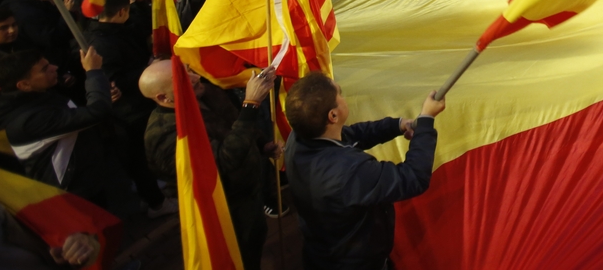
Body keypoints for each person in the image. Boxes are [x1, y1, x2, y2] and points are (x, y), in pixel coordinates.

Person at [284, 73, 446, 270]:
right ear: (333, 115)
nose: (344, 97)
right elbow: (413, 178)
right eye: (340, 94)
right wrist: (427, 120)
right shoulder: (348, 171)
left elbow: (352, 135)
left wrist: (398, 125)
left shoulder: (300, 136)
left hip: (322, 251)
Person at [141, 61, 277, 270]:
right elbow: (222, 163)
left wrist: (262, 145)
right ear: (162, 97)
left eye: (189, 70)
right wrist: (250, 105)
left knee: (254, 244)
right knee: (239, 258)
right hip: (226, 212)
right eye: (183, 79)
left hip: (249, 194)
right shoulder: (166, 135)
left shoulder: (206, 93)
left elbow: (233, 123)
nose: (195, 78)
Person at [86, 0, 175, 218]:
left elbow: (146, 24)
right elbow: (115, 80)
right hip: (130, 110)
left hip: (139, 102)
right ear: (121, 11)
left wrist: (142, 2)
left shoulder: (117, 30)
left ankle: (156, 188)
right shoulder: (103, 43)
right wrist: (149, 68)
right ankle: (155, 202)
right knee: (139, 155)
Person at [0, 48, 113, 205]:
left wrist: (102, 93)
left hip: (88, 179)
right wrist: (94, 72)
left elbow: (81, 113)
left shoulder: (38, 96)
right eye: (44, 69)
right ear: (24, 85)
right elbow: (97, 112)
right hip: (72, 195)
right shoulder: (29, 120)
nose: (54, 67)